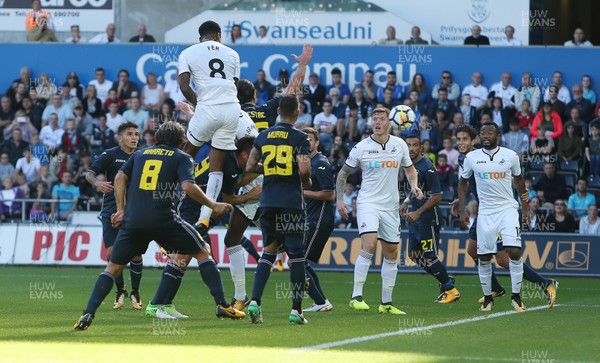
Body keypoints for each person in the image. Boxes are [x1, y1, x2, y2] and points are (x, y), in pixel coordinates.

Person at [73, 121, 239, 330]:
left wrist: (121, 209)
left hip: (133, 220)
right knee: (202, 251)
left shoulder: (139, 155)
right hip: (163, 219)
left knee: (112, 268)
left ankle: (88, 313)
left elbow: (119, 177)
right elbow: (188, 186)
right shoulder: (181, 157)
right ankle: (222, 304)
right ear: (180, 140)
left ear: (158, 137)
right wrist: (213, 204)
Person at [337, 107, 423, 315]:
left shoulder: (399, 145)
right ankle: (356, 296)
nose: (377, 122)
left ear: (390, 122)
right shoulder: (361, 147)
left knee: (392, 253)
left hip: (391, 206)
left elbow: (410, 169)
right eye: (374, 119)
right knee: (369, 244)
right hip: (368, 203)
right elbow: (343, 174)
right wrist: (339, 199)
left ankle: (386, 303)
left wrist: (414, 185)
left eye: (381, 119)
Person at [244, 95, 313, 325]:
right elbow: (303, 170)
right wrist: (307, 180)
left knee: (268, 252)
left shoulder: (262, 136)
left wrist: (271, 167)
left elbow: (250, 166)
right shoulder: (300, 137)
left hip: (267, 202)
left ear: (278, 112)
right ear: (297, 112)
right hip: (291, 202)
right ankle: (296, 310)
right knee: (296, 255)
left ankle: (255, 301)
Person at [177, 21, 242, 234]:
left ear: (200, 38)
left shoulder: (187, 52)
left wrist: (198, 103)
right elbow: (234, 85)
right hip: (232, 109)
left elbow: (184, 86)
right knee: (217, 166)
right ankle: (205, 217)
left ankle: (167, 203)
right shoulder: (233, 54)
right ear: (219, 35)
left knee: (184, 156)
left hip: (207, 109)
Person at [458, 122, 529, 312]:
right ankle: (488, 298)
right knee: (484, 256)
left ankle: (516, 297)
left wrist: (526, 208)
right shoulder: (472, 157)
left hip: (507, 209)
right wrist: (462, 209)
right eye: (482, 132)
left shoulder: (510, 156)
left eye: (490, 132)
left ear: (498, 136)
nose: (486, 135)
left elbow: (519, 180)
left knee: (513, 251)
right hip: (486, 212)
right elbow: (463, 182)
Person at [85, 121, 144, 309]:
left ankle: (135, 292)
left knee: (135, 254)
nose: (134, 137)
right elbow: (89, 173)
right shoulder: (110, 155)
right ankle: (121, 290)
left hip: (135, 210)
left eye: (136, 134)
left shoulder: (143, 155)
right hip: (111, 210)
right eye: (130, 134)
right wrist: (97, 183)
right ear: (120, 138)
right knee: (112, 254)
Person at [401, 134, 460, 303]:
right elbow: (417, 188)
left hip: (428, 219)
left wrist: (418, 212)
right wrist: (406, 202)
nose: (411, 149)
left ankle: (450, 289)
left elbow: (437, 196)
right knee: (413, 254)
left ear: (421, 148)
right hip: (415, 218)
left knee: (429, 256)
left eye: (415, 145)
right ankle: (445, 278)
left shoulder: (427, 167)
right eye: (408, 145)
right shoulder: (410, 165)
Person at [301, 128, 335, 312]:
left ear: (316, 143)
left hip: (320, 219)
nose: (307, 142)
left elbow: (330, 194)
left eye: (310, 139)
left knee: (296, 261)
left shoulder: (320, 163)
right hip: (311, 218)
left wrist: (302, 192)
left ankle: (321, 301)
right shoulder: (306, 162)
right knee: (302, 262)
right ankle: (321, 301)